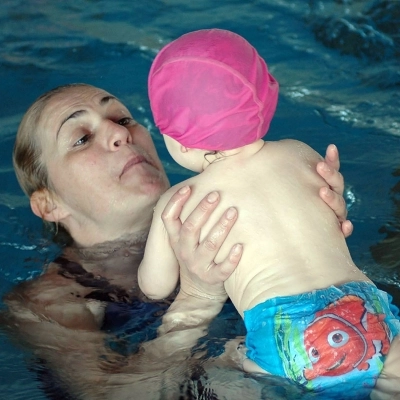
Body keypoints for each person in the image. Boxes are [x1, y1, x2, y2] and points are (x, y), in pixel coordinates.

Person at [2, 80, 351, 400]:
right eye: (81, 138)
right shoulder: (49, 301)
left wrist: (318, 228)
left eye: (123, 120)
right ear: (48, 204)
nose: (118, 133)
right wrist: (195, 300)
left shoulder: (228, 205)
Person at [138, 29, 400, 399]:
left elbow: (154, 286)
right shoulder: (301, 153)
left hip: (286, 334)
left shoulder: (179, 201)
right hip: (366, 309)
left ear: (177, 139)